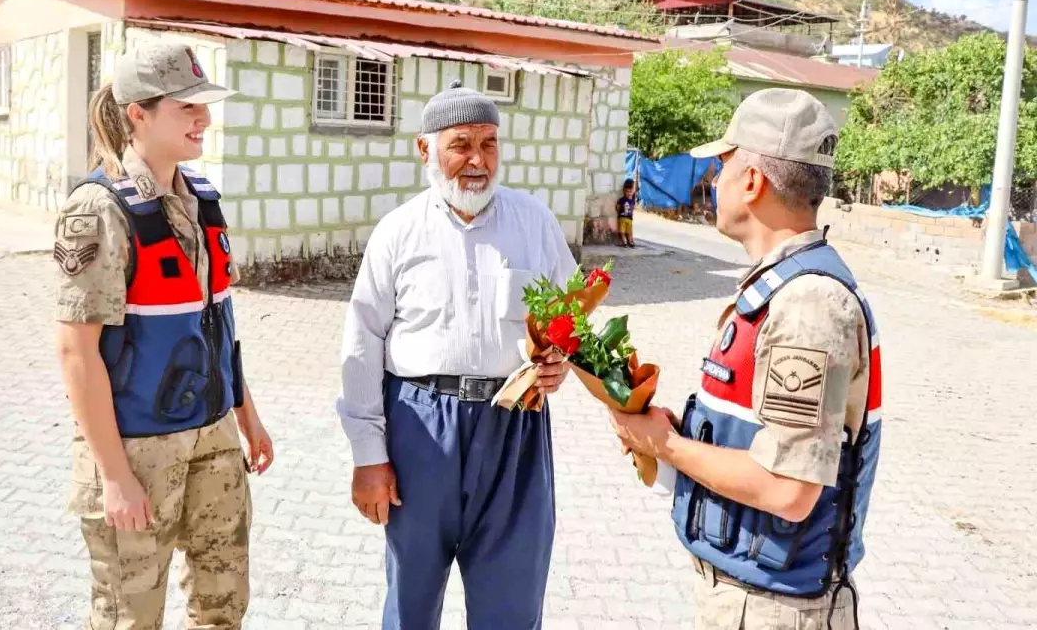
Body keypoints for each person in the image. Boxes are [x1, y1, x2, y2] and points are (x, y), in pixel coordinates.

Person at [608, 88, 881, 630]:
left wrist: (662, 443)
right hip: (751, 597)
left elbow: (788, 489)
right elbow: (766, 436)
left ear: (752, 182)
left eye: (724, 164)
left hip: (774, 609)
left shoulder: (808, 304)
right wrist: (683, 431)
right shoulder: (783, 285)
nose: (714, 179)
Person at [336, 80, 579, 630]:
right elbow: (361, 345)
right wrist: (368, 456)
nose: (478, 160)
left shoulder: (533, 221)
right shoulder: (398, 231)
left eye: (489, 144)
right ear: (425, 150)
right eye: (461, 144)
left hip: (514, 426)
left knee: (511, 602)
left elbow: (570, 316)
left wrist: (560, 357)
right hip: (420, 427)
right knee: (412, 601)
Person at [55, 41, 275, 630]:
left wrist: (246, 416)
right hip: (136, 447)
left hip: (213, 436)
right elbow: (76, 352)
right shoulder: (100, 210)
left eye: (204, 106)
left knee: (223, 605)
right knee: (131, 616)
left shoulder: (202, 202)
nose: (203, 118)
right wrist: (115, 478)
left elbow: (216, 326)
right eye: (187, 108)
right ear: (138, 115)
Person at [616, 178, 637, 247]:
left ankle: (630, 241)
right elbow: (617, 207)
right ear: (624, 191)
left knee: (629, 232)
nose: (629, 193)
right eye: (627, 191)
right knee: (622, 231)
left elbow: (633, 208)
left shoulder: (633, 200)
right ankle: (624, 241)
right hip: (622, 218)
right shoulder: (622, 199)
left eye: (630, 191)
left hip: (630, 219)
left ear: (633, 191)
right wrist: (619, 209)